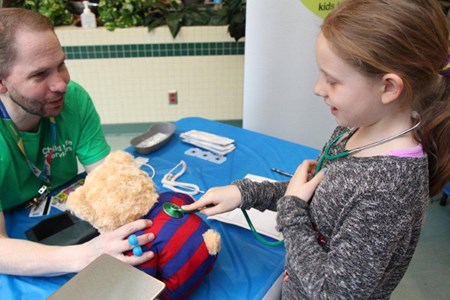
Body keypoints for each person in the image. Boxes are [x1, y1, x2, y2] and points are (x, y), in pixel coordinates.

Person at [183, 0, 450, 298]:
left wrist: (292, 212)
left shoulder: (387, 191)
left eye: (332, 80)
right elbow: (318, 197)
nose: (318, 88)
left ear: (388, 87)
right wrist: (246, 194)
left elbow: (333, 293)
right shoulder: (356, 128)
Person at [0, 8, 154, 276]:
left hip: (61, 218)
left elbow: (108, 178)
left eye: (61, 64)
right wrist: (88, 254)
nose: (61, 84)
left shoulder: (74, 99)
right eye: (40, 75)